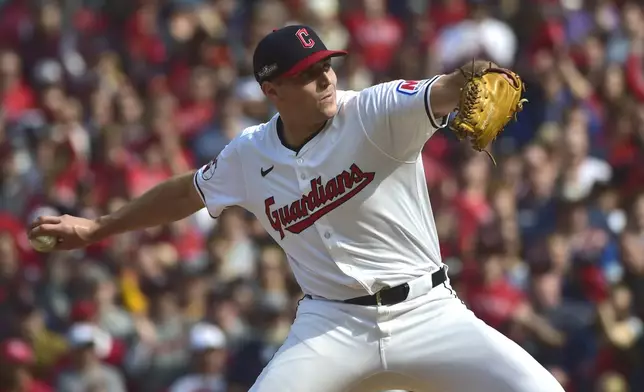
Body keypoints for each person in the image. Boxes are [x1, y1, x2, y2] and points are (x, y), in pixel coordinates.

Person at [29, 25, 565, 392]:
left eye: (327, 66)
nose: (326, 78)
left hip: (427, 311)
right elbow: (188, 191)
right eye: (308, 73)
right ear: (272, 88)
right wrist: (100, 226)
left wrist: (474, 76)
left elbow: (449, 86)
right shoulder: (249, 152)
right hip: (331, 322)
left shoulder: (375, 111)